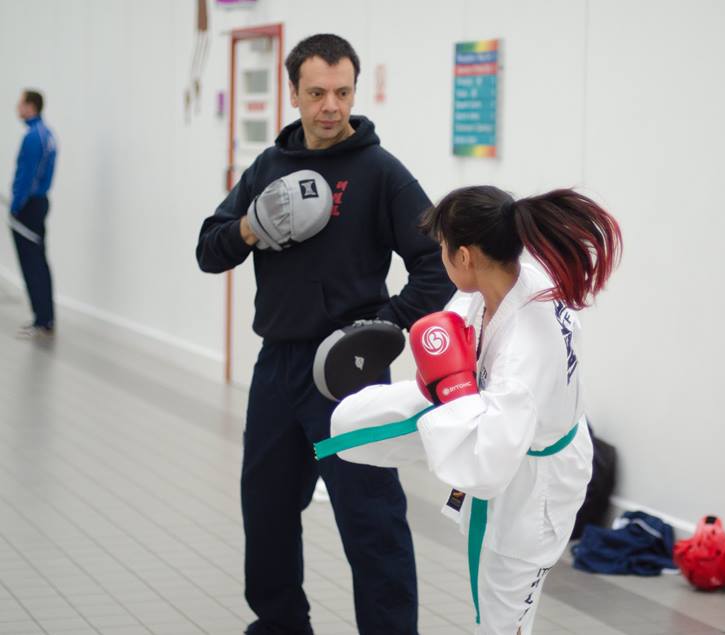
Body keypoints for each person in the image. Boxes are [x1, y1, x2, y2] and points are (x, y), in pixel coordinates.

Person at [195, 34, 454, 635]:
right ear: (294, 93)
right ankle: (280, 625)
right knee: (265, 511)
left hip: (351, 378)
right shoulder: (266, 168)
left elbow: (436, 263)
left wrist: (382, 326)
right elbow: (209, 249)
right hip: (278, 369)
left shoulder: (380, 172)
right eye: (316, 93)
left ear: (354, 91)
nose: (330, 105)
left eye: (341, 92)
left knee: (371, 520)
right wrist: (251, 231)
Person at [328, 185, 622, 634]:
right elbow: (461, 339)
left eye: (444, 249)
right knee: (349, 423)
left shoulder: (523, 352)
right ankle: (327, 438)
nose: (441, 258)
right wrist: (444, 384)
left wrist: (455, 392)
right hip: (502, 428)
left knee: (502, 620)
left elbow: (485, 465)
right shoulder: (510, 279)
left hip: (531, 481)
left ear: (465, 256)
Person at [11, 89, 57, 339]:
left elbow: (28, 176)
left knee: (32, 263)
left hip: (29, 206)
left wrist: (16, 205)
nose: (17, 107)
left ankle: (42, 319)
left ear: (30, 106)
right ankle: (45, 318)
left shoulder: (34, 136)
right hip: (37, 204)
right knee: (38, 261)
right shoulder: (47, 135)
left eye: (20, 103)